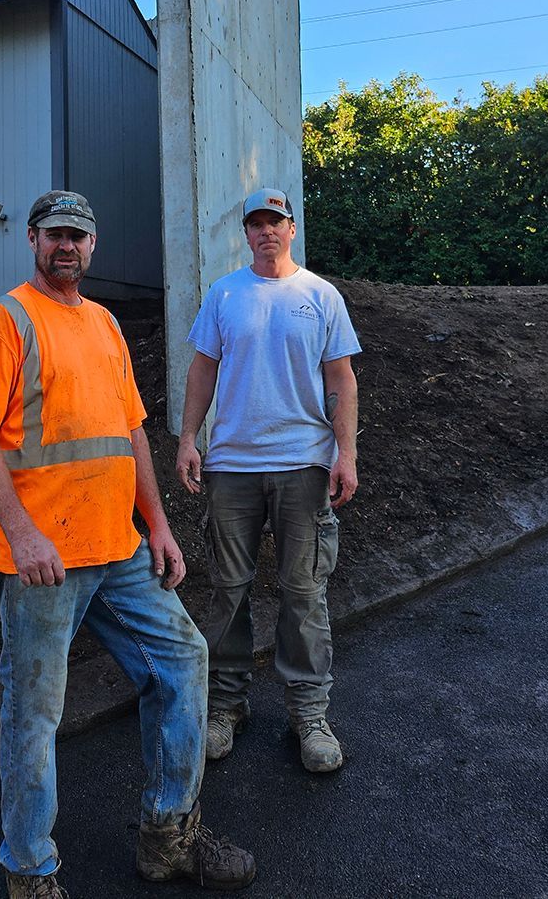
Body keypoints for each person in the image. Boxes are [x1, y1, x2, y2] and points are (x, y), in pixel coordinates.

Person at [0, 190, 256, 898]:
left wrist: (157, 523)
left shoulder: (105, 325)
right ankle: (29, 871)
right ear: (32, 238)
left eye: (80, 236)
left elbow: (128, 434)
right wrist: (22, 534)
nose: (68, 246)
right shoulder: (3, 324)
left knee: (183, 660)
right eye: (56, 233)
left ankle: (168, 835)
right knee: (33, 714)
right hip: (42, 566)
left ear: (93, 247)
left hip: (116, 550)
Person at [176, 188, 361, 773]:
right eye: (255, 224)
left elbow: (342, 380)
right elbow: (203, 368)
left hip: (304, 464)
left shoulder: (320, 296)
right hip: (231, 465)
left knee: (303, 592)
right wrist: (187, 439)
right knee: (229, 589)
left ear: (292, 229)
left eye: (275, 223)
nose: (266, 233)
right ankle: (226, 707)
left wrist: (346, 452)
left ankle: (308, 713)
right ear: (247, 234)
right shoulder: (225, 294)